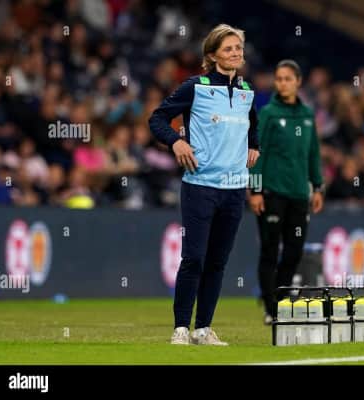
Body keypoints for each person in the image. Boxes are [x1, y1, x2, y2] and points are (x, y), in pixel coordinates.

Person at [148, 24, 260, 345]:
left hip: (235, 190)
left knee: (217, 263)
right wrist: (176, 142)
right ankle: (181, 328)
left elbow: (252, 124)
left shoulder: (246, 91)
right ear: (212, 55)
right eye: (228, 49)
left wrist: (254, 145)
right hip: (200, 186)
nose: (235, 53)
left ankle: (203, 329)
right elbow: (157, 118)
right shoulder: (195, 87)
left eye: (238, 48)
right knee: (194, 258)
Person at [249, 60, 324, 324]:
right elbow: (257, 152)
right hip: (272, 193)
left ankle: (280, 302)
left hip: (299, 195)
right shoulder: (268, 113)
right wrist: (255, 189)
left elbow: (313, 153)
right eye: (279, 79)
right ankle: (271, 309)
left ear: (298, 82)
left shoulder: (307, 115)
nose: (282, 83)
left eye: (287, 79)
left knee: (294, 251)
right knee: (270, 250)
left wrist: (317, 186)